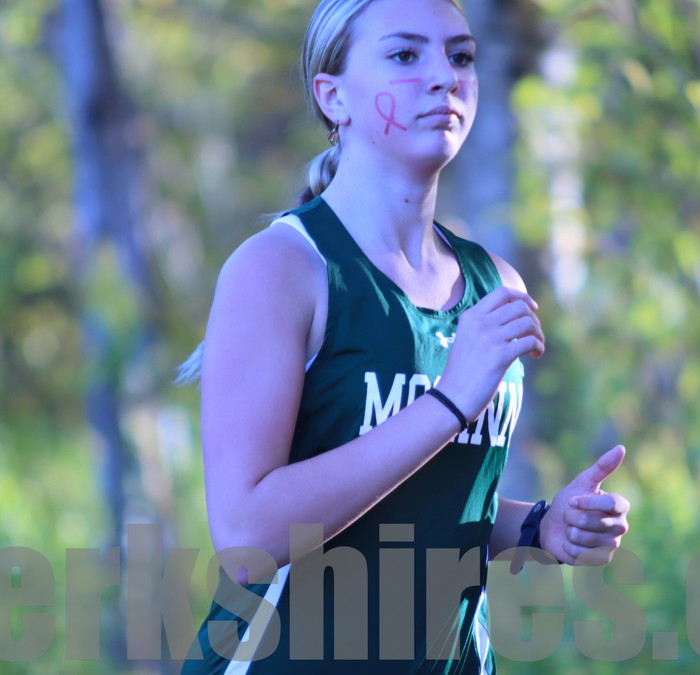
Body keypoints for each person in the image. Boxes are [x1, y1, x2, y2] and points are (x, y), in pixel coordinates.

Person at [177, 0, 631, 672]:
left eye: (461, 56)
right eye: (404, 55)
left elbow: (428, 501)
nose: (444, 76)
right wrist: (447, 403)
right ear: (333, 97)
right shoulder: (281, 267)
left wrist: (538, 525)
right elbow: (247, 535)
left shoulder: (493, 284)